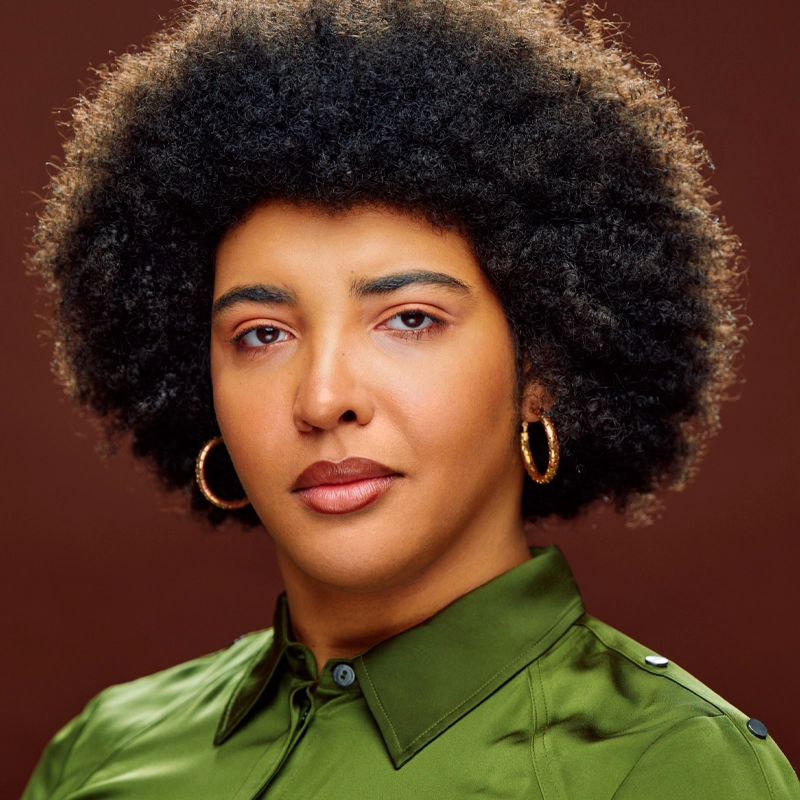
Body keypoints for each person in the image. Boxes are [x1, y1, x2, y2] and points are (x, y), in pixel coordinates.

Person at [21, 0, 799, 797]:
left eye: (411, 319)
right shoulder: (102, 753)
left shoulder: (672, 766)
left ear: (544, 367)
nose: (323, 399)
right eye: (261, 334)